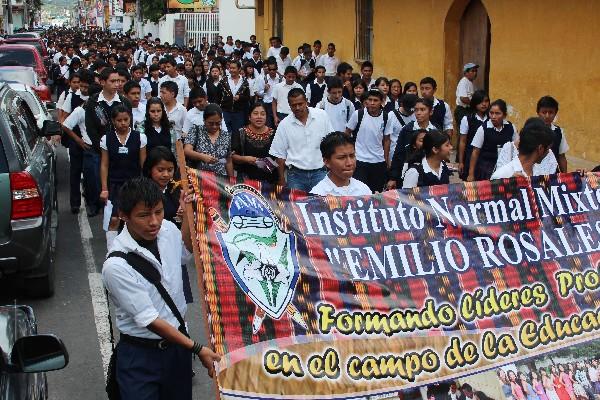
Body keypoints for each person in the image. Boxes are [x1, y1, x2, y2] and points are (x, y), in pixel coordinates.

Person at [102, 177, 220, 400]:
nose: (154, 222)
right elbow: (150, 320)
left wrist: (186, 215)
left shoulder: (167, 229)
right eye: (144, 215)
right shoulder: (116, 266)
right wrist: (197, 349)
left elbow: (184, 254)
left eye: (158, 211)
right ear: (124, 215)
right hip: (140, 355)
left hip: (177, 351)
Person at [142, 146, 194, 305]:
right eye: (161, 170)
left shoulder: (178, 189)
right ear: (150, 169)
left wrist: (183, 215)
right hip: (151, 250)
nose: (166, 174)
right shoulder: (142, 191)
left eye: (170, 170)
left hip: (175, 248)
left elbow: (185, 245)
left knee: (178, 303)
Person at [85, 67, 131, 217]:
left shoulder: (123, 101)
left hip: (121, 149)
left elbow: (128, 126)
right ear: (102, 82)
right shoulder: (93, 103)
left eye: (118, 81)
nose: (117, 84)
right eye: (113, 81)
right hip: (100, 149)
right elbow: (91, 129)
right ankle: (95, 204)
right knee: (96, 177)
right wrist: (103, 147)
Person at [100, 105, 147, 249]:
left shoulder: (140, 137)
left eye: (126, 119)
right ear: (113, 121)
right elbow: (104, 165)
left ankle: (133, 249)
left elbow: (143, 164)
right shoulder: (106, 139)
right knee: (114, 219)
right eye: (119, 120)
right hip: (115, 184)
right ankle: (112, 251)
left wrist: (145, 184)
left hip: (134, 184)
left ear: (130, 119)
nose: (123, 123)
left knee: (133, 218)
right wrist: (104, 189)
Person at [269, 88, 333, 191]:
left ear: (306, 101)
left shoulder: (322, 116)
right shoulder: (284, 125)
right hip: (295, 176)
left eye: (300, 104)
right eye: (293, 105)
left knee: (322, 205)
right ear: (289, 105)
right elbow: (280, 156)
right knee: (295, 206)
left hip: (320, 173)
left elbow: (331, 144)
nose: (297, 108)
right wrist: (281, 179)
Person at [345, 89, 391, 193]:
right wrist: (350, 153)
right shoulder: (358, 114)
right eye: (370, 100)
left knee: (376, 193)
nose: (372, 103)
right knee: (359, 192)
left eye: (375, 100)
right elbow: (347, 132)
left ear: (381, 102)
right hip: (360, 160)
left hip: (378, 161)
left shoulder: (386, 117)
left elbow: (387, 139)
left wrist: (386, 158)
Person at [387, 98, 438, 190]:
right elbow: (399, 154)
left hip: (429, 175)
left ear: (431, 112)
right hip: (408, 174)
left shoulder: (435, 131)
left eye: (422, 110)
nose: (418, 113)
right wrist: (393, 177)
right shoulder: (407, 130)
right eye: (416, 110)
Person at [467, 99, 517, 181]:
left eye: (497, 113)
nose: (493, 117)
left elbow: (516, 147)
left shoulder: (511, 127)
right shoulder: (483, 129)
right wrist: (471, 174)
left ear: (504, 115)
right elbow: (475, 152)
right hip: (486, 169)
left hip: (505, 168)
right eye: (491, 113)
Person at [310, 132, 371, 196]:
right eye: (342, 158)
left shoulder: (364, 190)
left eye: (352, 156)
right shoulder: (318, 195)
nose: (349, 163)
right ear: (327, 161)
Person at [231, 102, 278, 183]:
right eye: (255, 114)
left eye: (263, 114)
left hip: (270, 182)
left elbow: (280, 158)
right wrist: (245, 159)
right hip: (245, 180)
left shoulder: (274, 134)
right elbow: (232, 156)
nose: (259, 117)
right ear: (249, 117)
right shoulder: (240, 133)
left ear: (266, 117)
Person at [183, 104, 234, 177]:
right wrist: (202, 157)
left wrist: (231, 180)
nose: (214, 126)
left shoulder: (226, 136)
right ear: (204, 120)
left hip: (221, 180)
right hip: (200, 178)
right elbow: (187, 150)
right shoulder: (196, 130)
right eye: (210, 123)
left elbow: (228, 161)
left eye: (218, 123)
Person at [458, 90, 489, 180]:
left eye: (486, 101)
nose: (484, 104)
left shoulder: (491, 119)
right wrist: (461, 161)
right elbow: (463, 141)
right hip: (471, 155)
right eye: (481, 101)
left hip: (487, 157)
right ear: (475, 103)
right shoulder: (467, 119)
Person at [217, 60, 251, 133]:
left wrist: (240, 97)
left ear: (239, 69)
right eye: (230, 68)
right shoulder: (223, 81)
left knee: (237, 134)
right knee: (225, 133)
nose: (231, 70)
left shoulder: (244, 82)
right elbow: (218, 96)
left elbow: (247, 97)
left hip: (238, 113)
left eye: (233, 68)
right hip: (225, 111)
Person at [537, 96, 569, 172]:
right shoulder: (530, 130)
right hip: (534, 174)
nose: (547, 116)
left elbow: (561, 156)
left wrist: (564, 176)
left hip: (553, 174)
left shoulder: (558, 132)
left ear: (555, 114)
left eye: (551, 112)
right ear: (538, 113)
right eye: (544, 112)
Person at [385, 93, 418, 158]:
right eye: (408, 109)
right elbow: (387, 139)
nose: (411, 112)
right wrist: (387, 158)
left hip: (411, 154)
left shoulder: (416, 114)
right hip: (395, 155)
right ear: (402, 104)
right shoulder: (391, 116)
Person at [455, 63, 479, 129]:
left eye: (476, 71)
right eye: (472, 71)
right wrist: (475, 105)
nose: (475, 73)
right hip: (462, 111)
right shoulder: (464, 82)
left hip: (468, 110)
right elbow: (463, 98)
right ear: (466, 73)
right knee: (464, 132)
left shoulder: (470, 83)